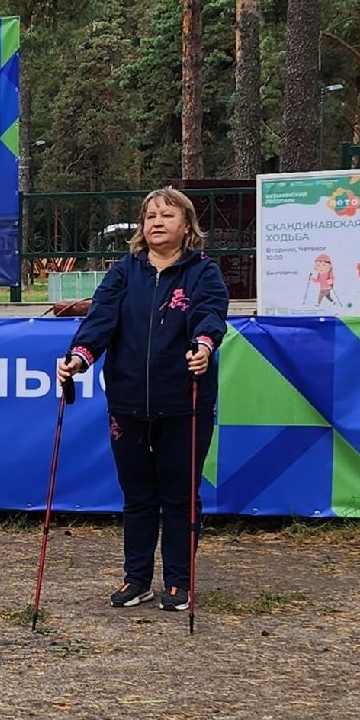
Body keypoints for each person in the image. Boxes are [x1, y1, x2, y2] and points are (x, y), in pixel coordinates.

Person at [57, 187, 227, 612]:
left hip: (183, 401)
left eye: (167, 215)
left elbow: (210, 314)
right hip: (128, 401)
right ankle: (137, 579)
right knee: (136, 494)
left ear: (186, 225)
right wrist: (79, 357)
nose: (156, 222)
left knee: (180, 494)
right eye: (150, 216)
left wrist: (203, 346)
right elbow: (100, 320)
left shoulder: (203, 272)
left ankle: (179, 581)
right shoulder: (123, 271)